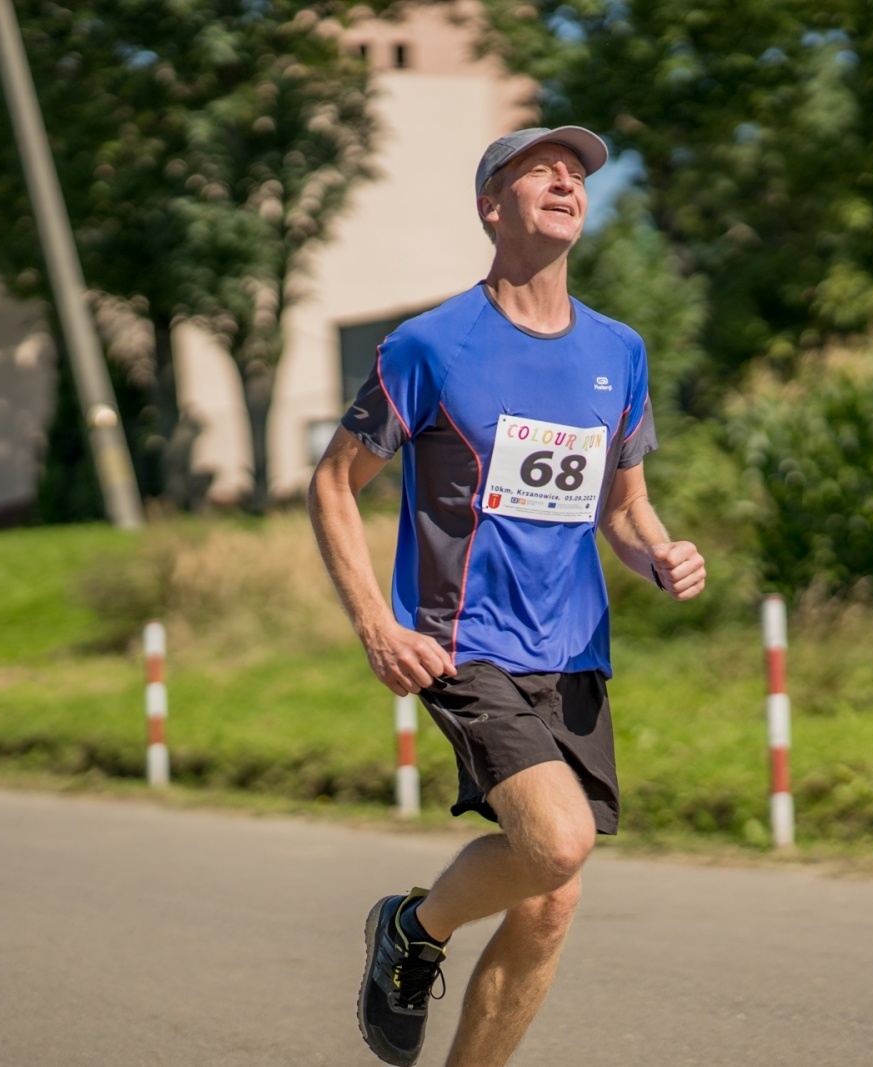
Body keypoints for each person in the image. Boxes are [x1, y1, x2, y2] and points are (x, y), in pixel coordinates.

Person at [308, 124, 707, 1067]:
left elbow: (625, 507)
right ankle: (411, 924)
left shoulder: (620, 349)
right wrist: (376, 624)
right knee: (559, 842)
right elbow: (332, 483)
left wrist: (659, 553)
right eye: (542, 171)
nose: (568, 180)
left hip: (574, 653)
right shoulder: (431, 345)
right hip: (464, 644)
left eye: (578, 174)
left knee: (551, 894)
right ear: (493, 207)